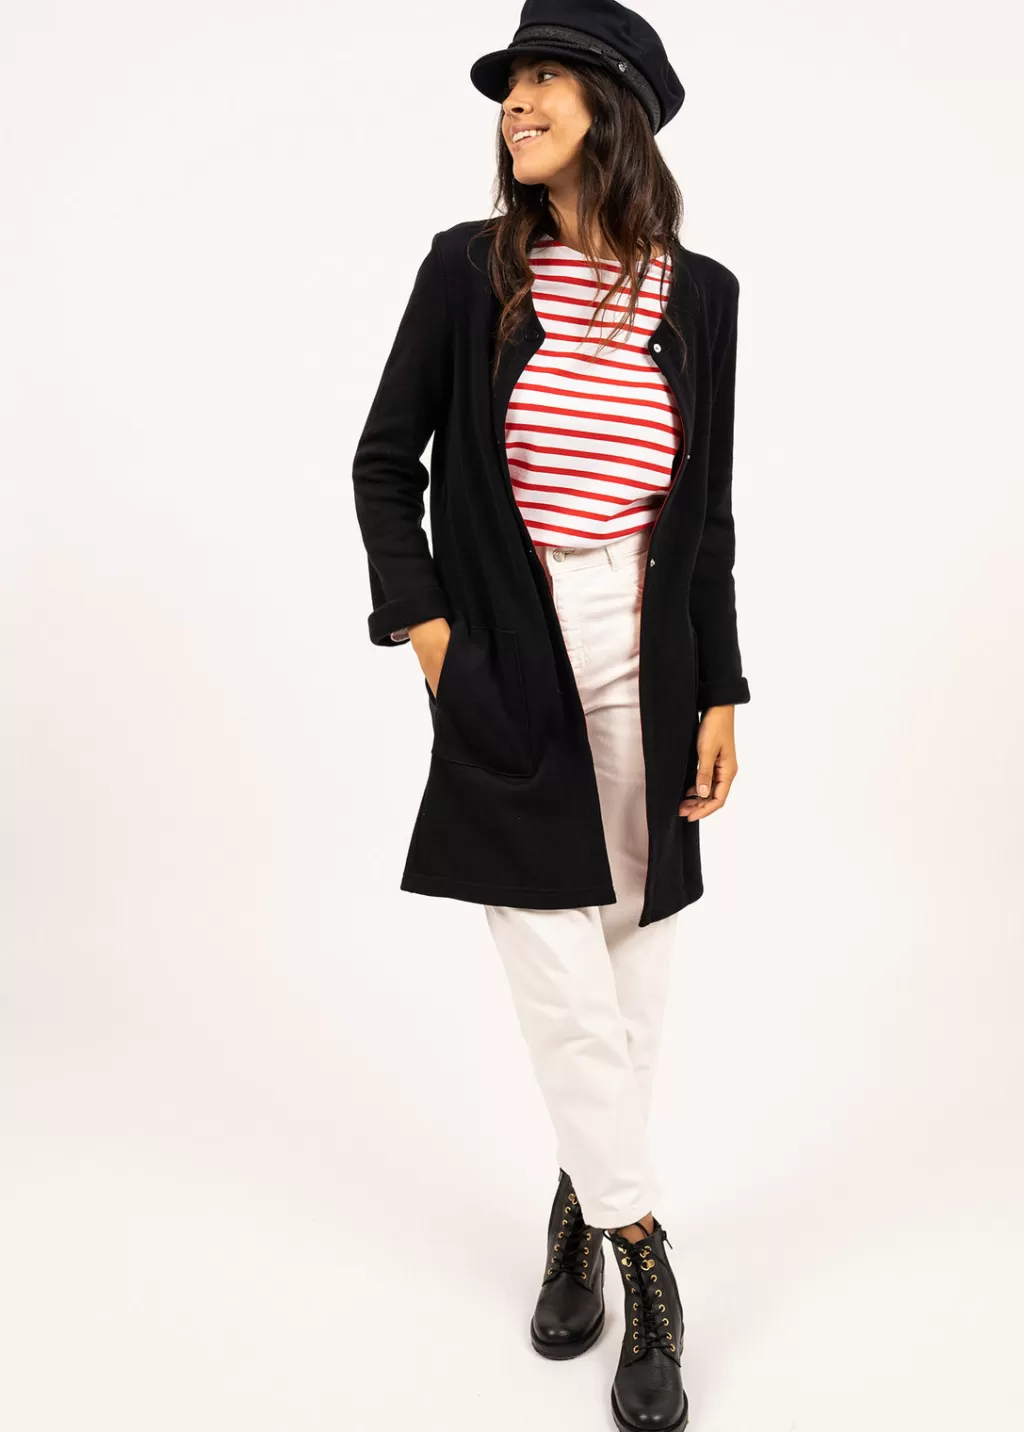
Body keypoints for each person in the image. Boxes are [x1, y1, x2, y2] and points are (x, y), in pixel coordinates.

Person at [351, 4, 750, 1428]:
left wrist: (722, 686)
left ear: (613, 112)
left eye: (543, 81)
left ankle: (576, 1209)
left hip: (651, 644)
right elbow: (383, 462)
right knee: (560, 980)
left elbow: (705, 518)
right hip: (512, 648)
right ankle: (644, 1254)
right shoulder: (468, 272)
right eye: (510, 84)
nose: (515, 104)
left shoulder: (703, 297)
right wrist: (433, 639)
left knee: (632, 965)